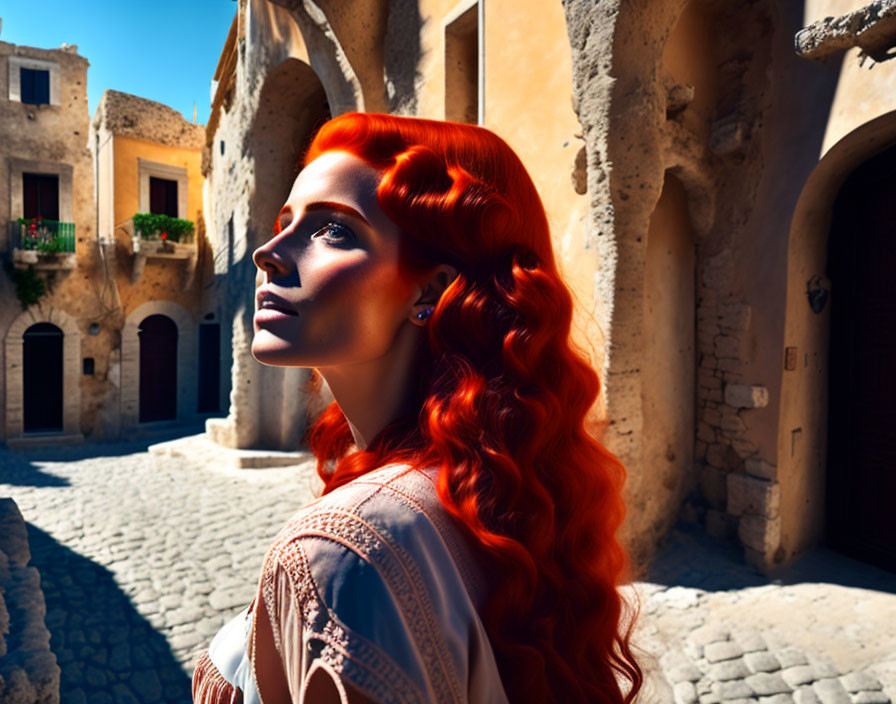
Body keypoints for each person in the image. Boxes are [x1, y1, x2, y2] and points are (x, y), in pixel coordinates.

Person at [192, 113, 642, 704]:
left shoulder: (342, 550)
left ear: (429, 291)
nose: (268, 253)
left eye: (332, 230)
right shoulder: (489, 495)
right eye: (285, 222)